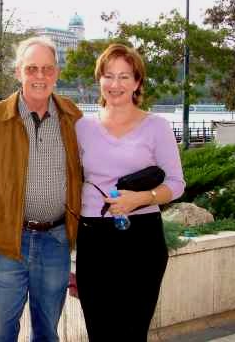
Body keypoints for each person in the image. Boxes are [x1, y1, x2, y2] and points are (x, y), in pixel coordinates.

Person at [74, 43, 185, 341]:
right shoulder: (81, 127)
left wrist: (142, 199)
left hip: (142, 239)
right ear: (99, 80)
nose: (115, 84)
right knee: (100, 331)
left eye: (124, 76)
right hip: (94, 237)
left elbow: (176, 183)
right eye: (109, 76)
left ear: (137, 82)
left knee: (133, 331)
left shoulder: (157, 127)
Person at [0, 36, 83, 342]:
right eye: (32, 68)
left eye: (47, 69)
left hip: (55, 241)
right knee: (1, 330)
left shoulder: (73, 117)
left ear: (56, 73)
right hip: (9, 241)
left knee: (47, 330)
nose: (40, 76)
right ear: (18, 72)